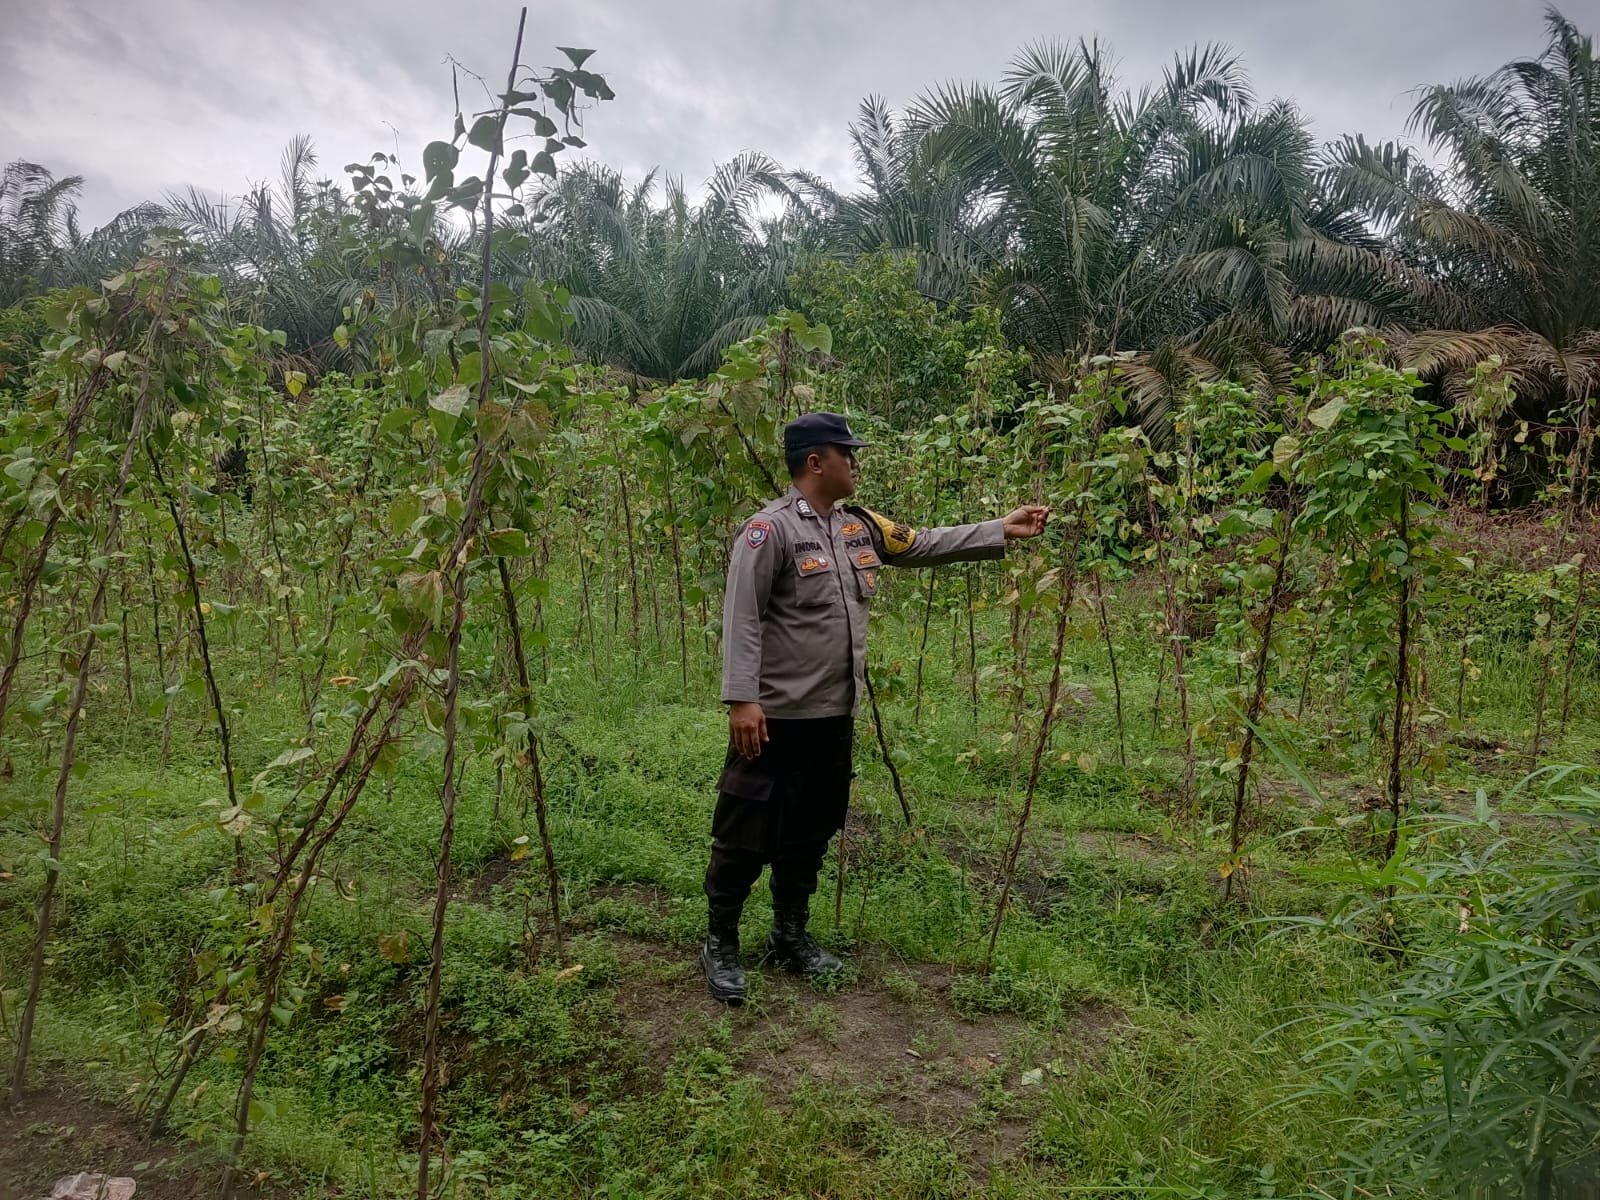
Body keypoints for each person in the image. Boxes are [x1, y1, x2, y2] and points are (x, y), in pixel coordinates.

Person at [700, 411, 1049, 1003]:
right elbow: (743, 617)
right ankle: (721, 943)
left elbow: (922, 543)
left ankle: (790, 935)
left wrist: (1000, 528)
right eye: (847, 453)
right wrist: (742, 701)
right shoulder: (770, 532)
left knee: (811, 828)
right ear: (816, 462)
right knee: (744, 832)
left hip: (834, 716)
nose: (856, 463)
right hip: (775, 717)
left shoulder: (857, 527)